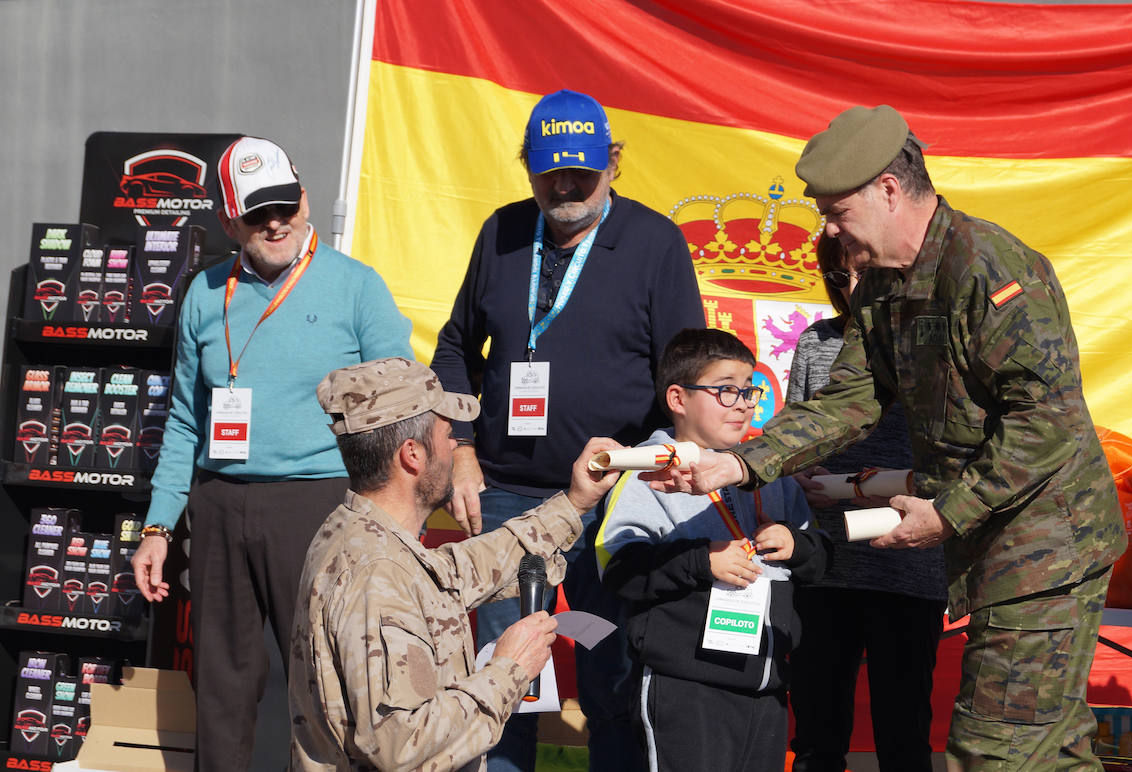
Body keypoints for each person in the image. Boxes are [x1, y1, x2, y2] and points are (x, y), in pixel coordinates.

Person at [647, 105, 1125, 771]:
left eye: (837, 211)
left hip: (1044, 543)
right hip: (991, 542)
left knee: (997, 750)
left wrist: (947, 514)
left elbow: (1046, 424)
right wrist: (735, 465)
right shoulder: (880, 287)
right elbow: (850, 400)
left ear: (889, 190)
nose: (829, 229)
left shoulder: (989, 268)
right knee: (1049, 748)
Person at [430, 88, 704, 772]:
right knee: (503, 676)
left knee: (607, 664)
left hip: (610, 505)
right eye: (551, 169)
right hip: (508, 502)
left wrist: (657, 465)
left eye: (583, 168)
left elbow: (685, 369)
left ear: (612, 162)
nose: (567, 184)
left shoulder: (653, 243)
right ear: (527, 164)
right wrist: (461, 451)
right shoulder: (501, 233)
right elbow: (456, 350)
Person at [130, 136, 413, 771]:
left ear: (306, 198)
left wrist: (390, 517)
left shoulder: (355, 287)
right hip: (221, 503)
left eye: (286, 203)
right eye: (258, 213)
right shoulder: (204, 293)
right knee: (223, 686)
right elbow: (182, 421)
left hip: (318, 501)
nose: (277, 221)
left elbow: (402, 405)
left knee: (325, 682)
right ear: (229, 220)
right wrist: (157, 527)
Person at [290, 357, 624, 771]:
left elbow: (461, 569)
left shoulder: (363, 532)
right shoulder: (377, 572)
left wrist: (575, 501)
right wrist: (510, 671)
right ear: (412, 454)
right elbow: (402, 746)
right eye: (448, 436)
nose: (455, 448)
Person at [596, 328, 829, 771]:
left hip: (767, 686)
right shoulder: (648, 473)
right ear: (678, 399)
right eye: (726, 390)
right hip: (688, 687)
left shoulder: (771, 472)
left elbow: (822, 558)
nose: (743, 402)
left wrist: (797, 546)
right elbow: (619, 567)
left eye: (749, 390)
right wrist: (703, 561)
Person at [787, 235, 947, 772]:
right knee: (816, 734)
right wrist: (798, 469)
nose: (855, 285)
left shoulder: (931, 344)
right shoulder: (817, 343)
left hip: (909, 562)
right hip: (825, 562)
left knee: (903, 738)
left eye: (866, 271)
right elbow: (796, 431)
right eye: (843, 275)